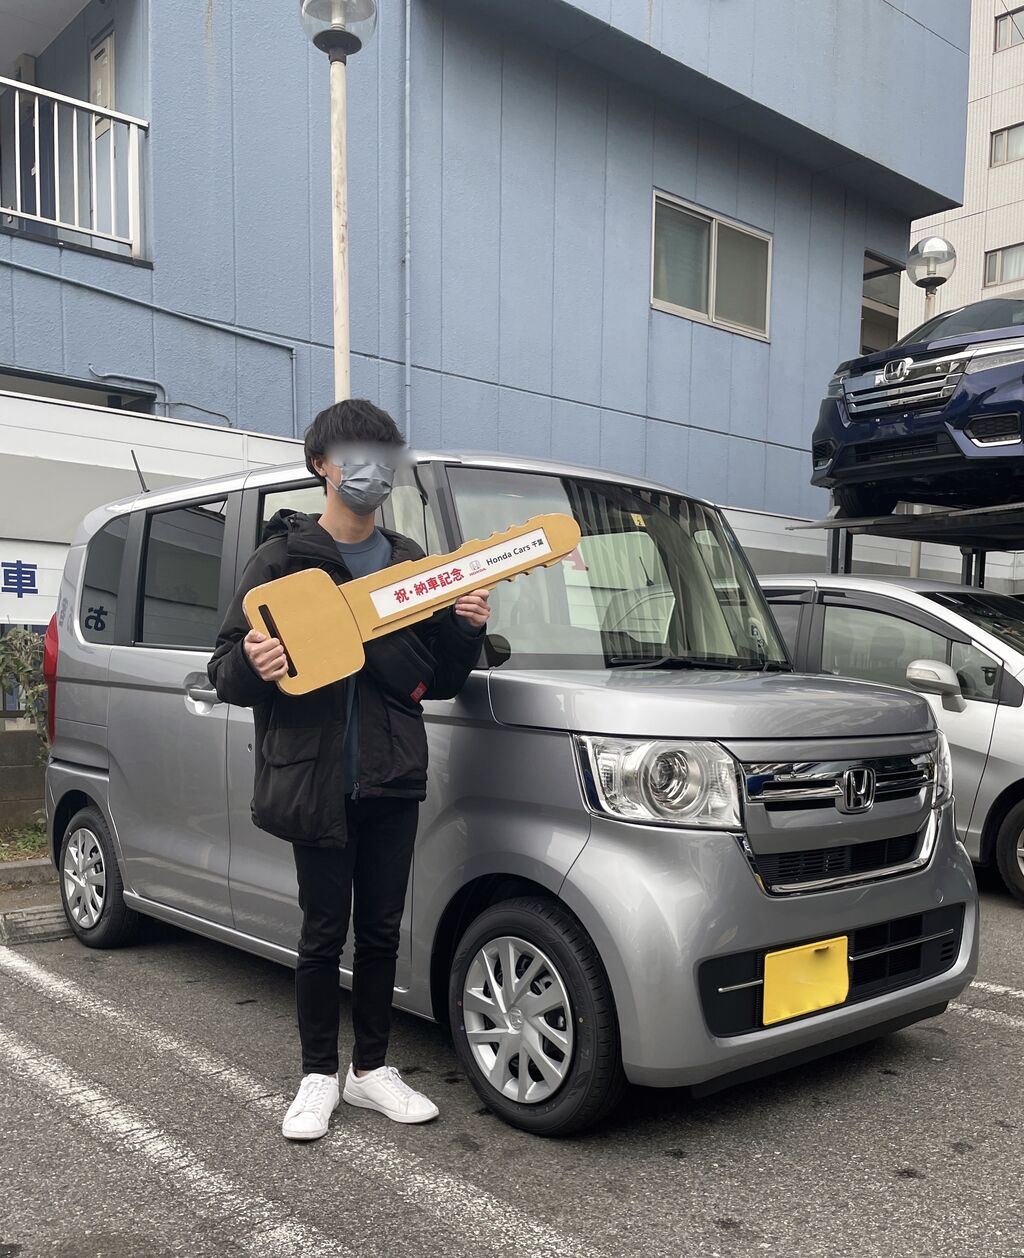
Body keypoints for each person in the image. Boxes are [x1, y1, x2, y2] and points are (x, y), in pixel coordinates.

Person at [208, 400, 489, 1140]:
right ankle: (314, 1076)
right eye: (354, 452)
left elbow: (446, 680)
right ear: (321, 466)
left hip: (392, 774)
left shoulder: (410, 566)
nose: (371, 466)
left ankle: (369, 1072)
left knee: (383, 931)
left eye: (384, 451)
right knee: (323, 931)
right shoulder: (280, 562)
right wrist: (254, 662)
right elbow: (224, 670)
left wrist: (464, 629)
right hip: (315, 777)